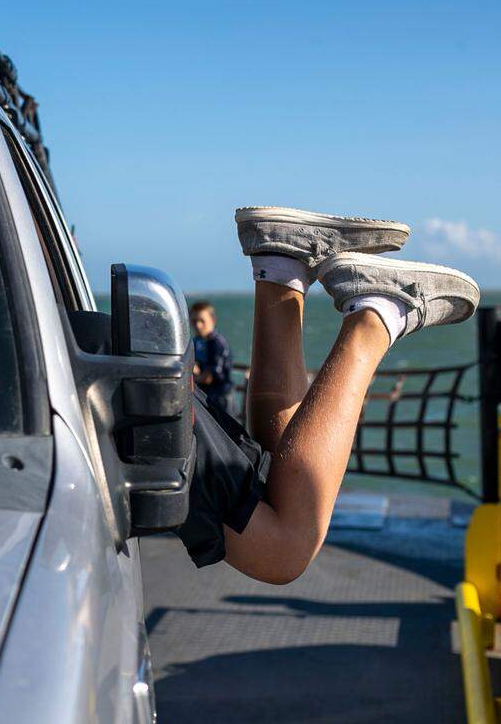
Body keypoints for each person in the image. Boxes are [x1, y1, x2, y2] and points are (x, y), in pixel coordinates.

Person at [180, 205, 479, 584]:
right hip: (119, 374)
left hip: (122, 409)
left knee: (282, 550)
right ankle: (280, 262)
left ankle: (378, 314)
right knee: (272, 486)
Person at [189, 300, 234, 417]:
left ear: (213, 320)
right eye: (194, 321)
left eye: (202, 321)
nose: (198, 325)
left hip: (220, 398)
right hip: (205, 395)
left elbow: (208, 378)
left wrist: (195, 373)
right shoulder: (196, 341)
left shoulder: (217, 343)